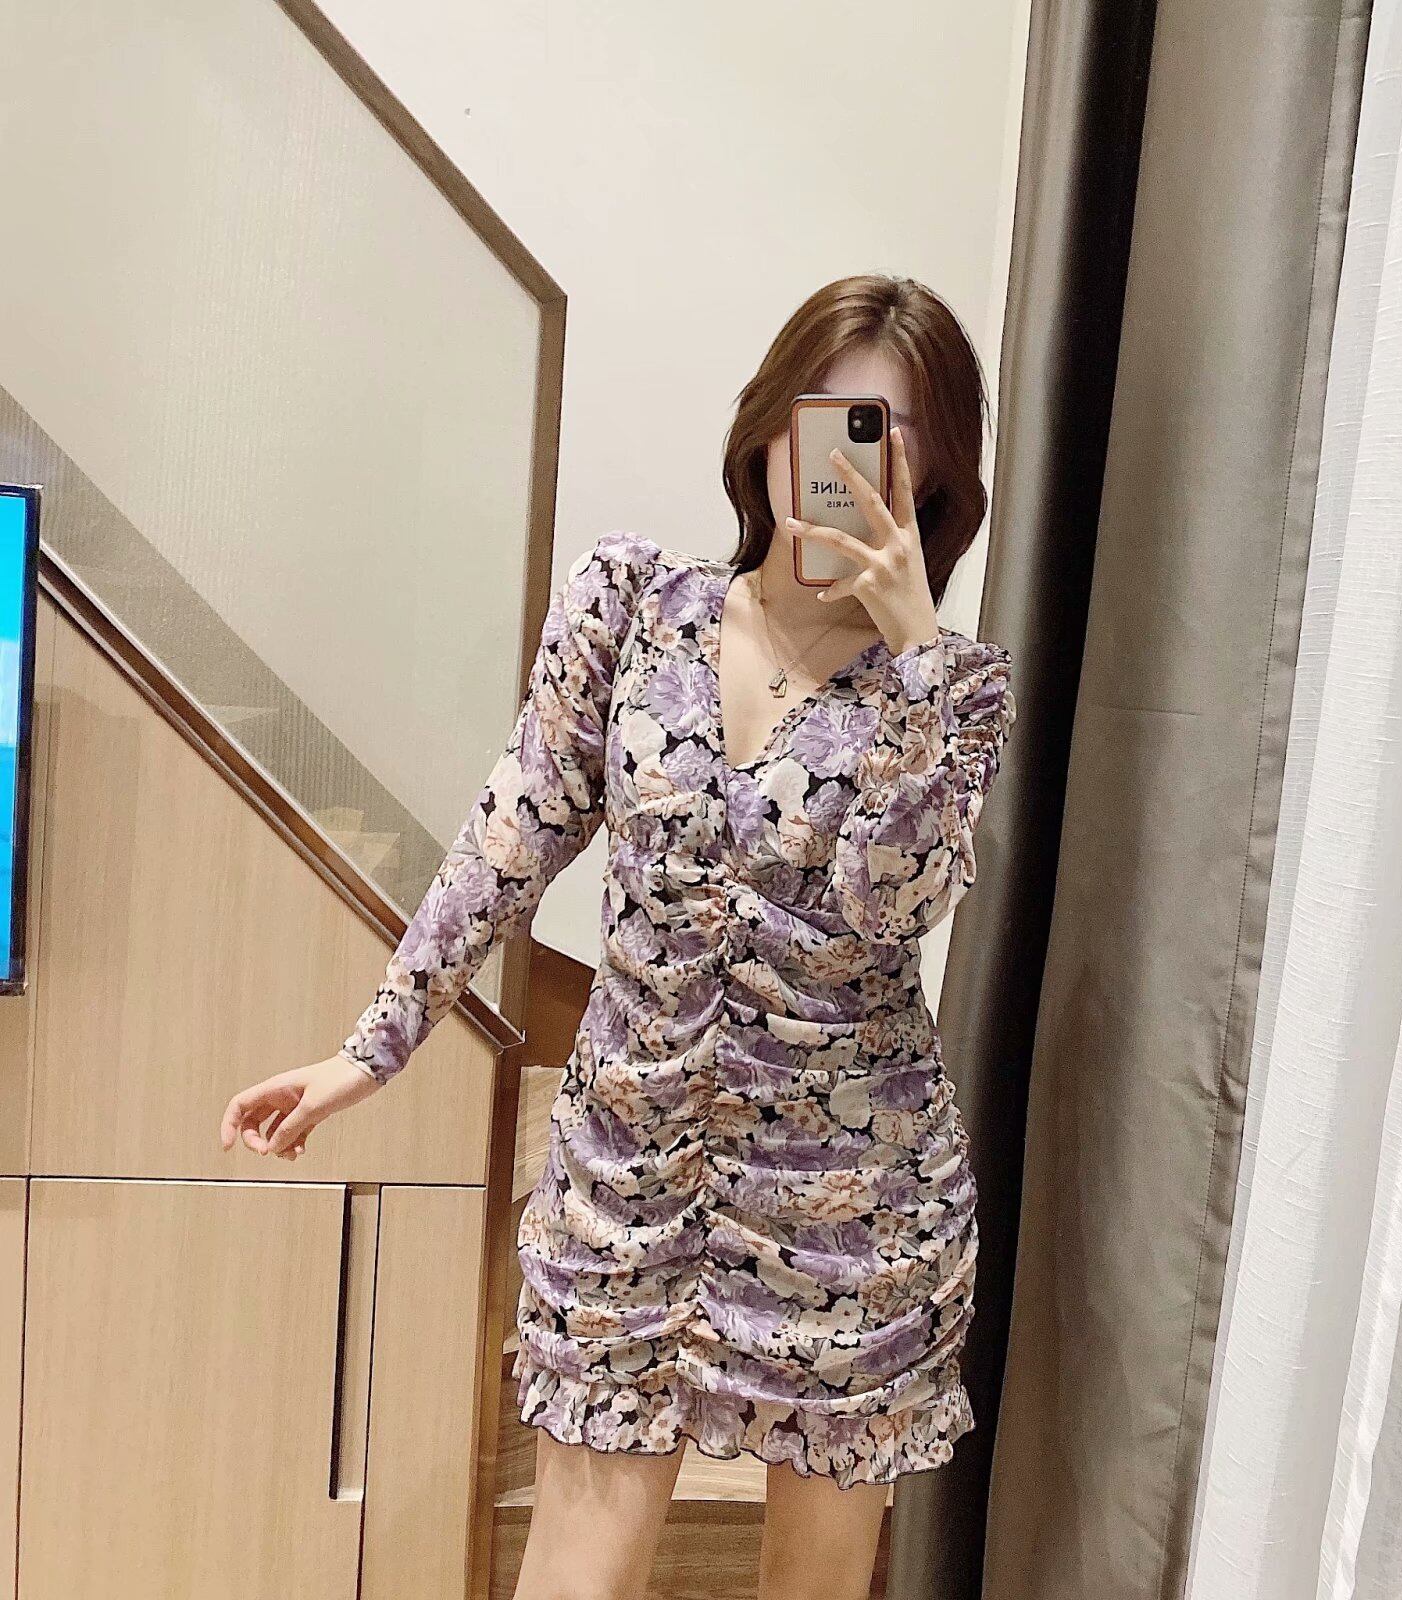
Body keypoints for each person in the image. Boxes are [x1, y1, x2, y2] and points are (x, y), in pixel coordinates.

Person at [220, 273, 1017, 1600]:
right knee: (575, 1571)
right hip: (623, 1183)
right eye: (833, 419)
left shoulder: (955, 690)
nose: (853, 464)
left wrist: (914, 659)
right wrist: (370, 1051)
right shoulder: (635, 608)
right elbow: (509, 838)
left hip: (852, 1213)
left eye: (895, 434)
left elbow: (896, 903)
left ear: (936, 476)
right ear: (771, 425)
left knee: (815, 1589)